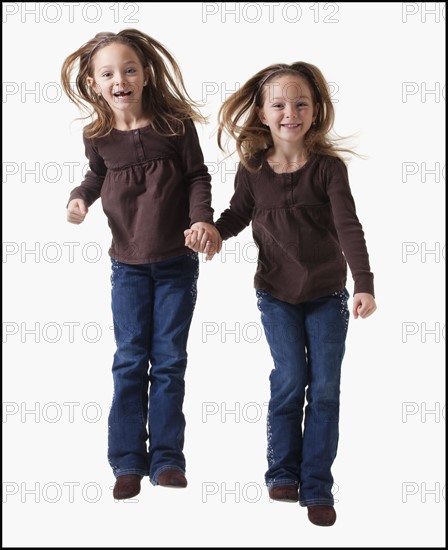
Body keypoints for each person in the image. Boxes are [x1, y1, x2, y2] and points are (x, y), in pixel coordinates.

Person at [185, 62, 377, 526]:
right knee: (291, 378)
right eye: (279, 104)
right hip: (276, 295)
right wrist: (211, 230)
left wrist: (364, 284)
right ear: (263, 113)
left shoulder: (329, 170)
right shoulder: (253, 169)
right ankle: (282, 473)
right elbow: (236, 214)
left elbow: (349, 228)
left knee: (326, 388)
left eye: (300, 103)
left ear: (315, 111)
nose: (290, 112)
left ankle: (318, 487)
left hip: (328, 295)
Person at [62, 29, 222, 500]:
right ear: (94, 84)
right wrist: (79, 198)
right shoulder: (98, 135)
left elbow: (197, 176)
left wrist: (201, 221)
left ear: (146, 74)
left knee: (169, 362)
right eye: (108, 73)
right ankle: (128, 460)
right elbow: (96, 175)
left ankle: (168, 458)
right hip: (127, 266)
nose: (120, 79)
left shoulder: (173, 124)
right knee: (130, 360)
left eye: (129, 69)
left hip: (176, 263)